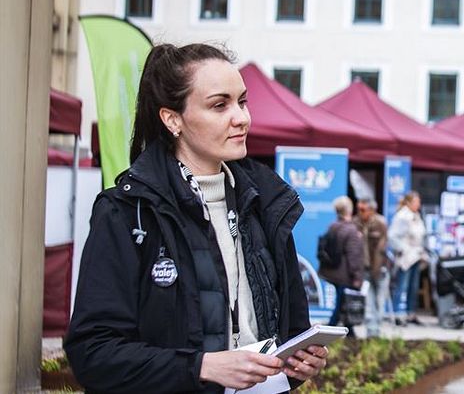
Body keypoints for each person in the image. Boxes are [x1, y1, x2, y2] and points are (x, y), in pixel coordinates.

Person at [64, 43, 326, 393]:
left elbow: (293, 333)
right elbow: (93, 353)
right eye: (220, 105)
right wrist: (202, 366)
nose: (242, 118)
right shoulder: (127, 212)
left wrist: (300, 363)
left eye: (242, 101)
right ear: (173, 119)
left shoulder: (267, 206)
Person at [318, 196, 365, 337]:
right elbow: (353, 256)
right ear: (349, 210)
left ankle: (349, 330)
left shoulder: (333, 226)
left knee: (342, 302)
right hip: (345, 274)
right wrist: (357, 276)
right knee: (341, 304)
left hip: (333, 272)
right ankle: (330, 330)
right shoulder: (351, 231)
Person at [389, 191, 428, 326]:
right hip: (405, 257)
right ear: (409, 202)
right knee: (402, 286)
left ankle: (410, 313)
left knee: (414, 286)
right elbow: (392, 237)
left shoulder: (416, 216)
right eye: (417, 202)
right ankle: (397, 314)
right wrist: (404, 249)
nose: (419, 205)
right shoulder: (402, 216)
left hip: (416, 256)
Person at [352, 198, 390, 337]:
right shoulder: (355, 223)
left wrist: (379, 268)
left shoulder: (380, 223)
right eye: (358, 209)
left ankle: (377, 330)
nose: (360, 213)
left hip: (380, 269)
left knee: (380, 302)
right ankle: (371, 332)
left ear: (372, 210)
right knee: (368, 302)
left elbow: (382, 246)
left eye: (363, 210)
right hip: (364, 269)